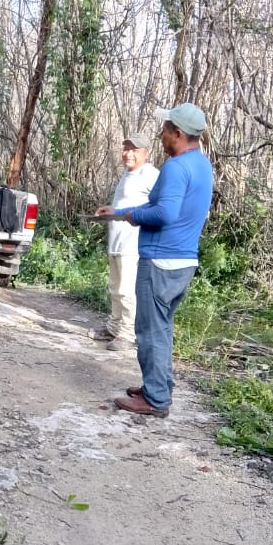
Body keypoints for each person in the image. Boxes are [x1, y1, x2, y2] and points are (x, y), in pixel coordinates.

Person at [94, 103, 214, 417]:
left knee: (149, 331)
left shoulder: (176, 167)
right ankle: (158, 387)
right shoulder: (201, 165)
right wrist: (118, 212)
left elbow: (164, 213)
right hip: (183, 261)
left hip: (161, 260)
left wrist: (131, 215)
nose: (160, 134)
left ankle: (155, 399)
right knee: (162, 329)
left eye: (165, 129)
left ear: (178, 133)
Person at [90, 133, 159, 351]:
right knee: (114, 286)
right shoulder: (126, 174)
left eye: (134, 150)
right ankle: (113, 327)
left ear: (145, 153)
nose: (128, 153)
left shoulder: (151, 175)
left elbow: (156, 207)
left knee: (126, 289)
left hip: (133, 242)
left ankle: (127, 334)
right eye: (126, 148)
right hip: (116, 240)